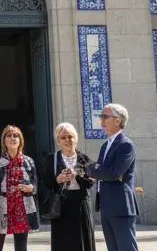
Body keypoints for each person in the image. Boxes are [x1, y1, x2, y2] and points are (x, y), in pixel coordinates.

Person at [86, 103, 138, 251]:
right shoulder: (105, 145)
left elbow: (115, 173)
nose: (101, 119)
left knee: (126, 247)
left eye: (105, 116)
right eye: (101, 116)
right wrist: (97, 170)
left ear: (118, 120)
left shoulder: (126, 145)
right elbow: (102, 172)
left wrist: (93, 168)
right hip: (106, 205)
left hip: (120, 205)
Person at [0, 125, 42, 251]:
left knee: (21, 246)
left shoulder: (28, 161)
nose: (12, 138)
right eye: (9, 135)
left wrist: (31, 188)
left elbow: (35, 186)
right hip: (2, 207)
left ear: (20, 140)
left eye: (16, 136)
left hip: (22, 206)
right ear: (4, 140)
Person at [48, 123, 95, 251]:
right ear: (58, 140)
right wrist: (57, 179)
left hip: (81, 204)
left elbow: (90, 182)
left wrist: (77, 176)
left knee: (83, 240)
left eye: (70, 137)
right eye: (63, 137)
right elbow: (45, 183)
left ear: (76, 138)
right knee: (62, 241)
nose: (67, 140)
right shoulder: (52, 159)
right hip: (61, 206)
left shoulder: (84, 159)